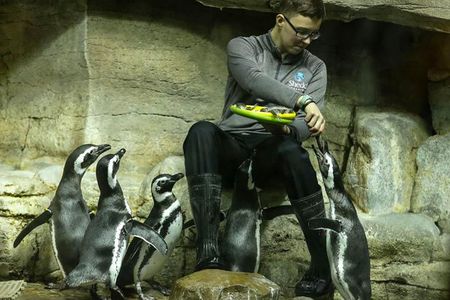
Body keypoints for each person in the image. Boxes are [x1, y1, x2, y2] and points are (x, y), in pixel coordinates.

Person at [183, 0, 332, 297]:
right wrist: (302, 101)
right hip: (233, 145)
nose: (306, 41)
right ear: (280, 20)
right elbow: (253, 80)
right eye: (301, 32)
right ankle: (208, 251)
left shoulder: (315, 68)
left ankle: (321, 267)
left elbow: (304, 127)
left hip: (272, 151)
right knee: (200, 131)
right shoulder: (244, 47)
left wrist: (291, 127)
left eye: (313, 35)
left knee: (291, 150)